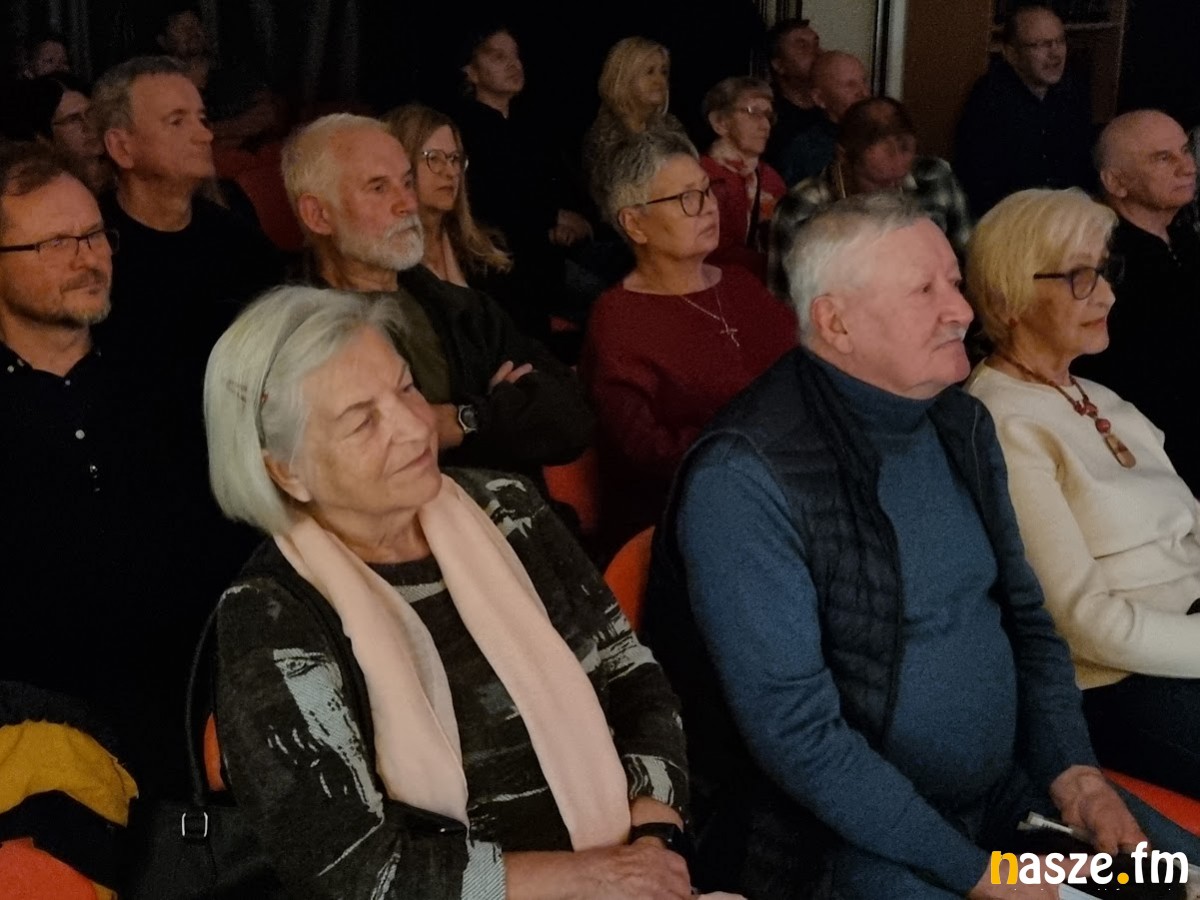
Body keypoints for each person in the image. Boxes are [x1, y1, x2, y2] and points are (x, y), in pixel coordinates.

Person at [643, 194, 1198, 898]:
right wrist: (979, 874)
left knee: (1183, 881)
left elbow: (1028, 621)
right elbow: (798, 735)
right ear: (836, 322)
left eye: (954, 283)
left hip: (1006, 803)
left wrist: (1077, 775)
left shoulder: (959, 423)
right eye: (923, 291)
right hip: (843, 844)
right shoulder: (745, 476)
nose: (961, 311)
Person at [202, 285, 693, 899]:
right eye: (363, 420)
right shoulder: (270, 615)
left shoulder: (508, 508)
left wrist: (652, 840)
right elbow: (351, 870)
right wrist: (591, 878)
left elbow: (633, 678)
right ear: (287, 470)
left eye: (407, 388)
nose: (415, 426)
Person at [0, 143, 250, 801]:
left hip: (203, 702)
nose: (88, 258)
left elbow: (231, 544)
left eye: (94, 235)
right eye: (55, 243)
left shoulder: (171, 372)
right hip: (41, 737)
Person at [964, 187, 1200, 799]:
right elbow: (1083, 623)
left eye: (1104, 270)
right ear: (1008, 297)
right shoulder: (1001, 421)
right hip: (1123, 685)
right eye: (1079, 276)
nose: (1108, 295)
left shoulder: (1100, 397)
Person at [281, 113, 594, 478]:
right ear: (318, 215)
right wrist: (501, 412)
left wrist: (462, 419)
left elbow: (573, 417)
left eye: (407, 182)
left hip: (506, 510)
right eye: (378, 188)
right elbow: (363, 461)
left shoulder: (460, 308)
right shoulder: (292, 337)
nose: (408, 204)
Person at [580, 130, 796, 555]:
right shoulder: (619, 318)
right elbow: (644, 452)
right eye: (686, 198)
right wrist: (760, 447)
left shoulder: (741, 283)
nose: (709, 207)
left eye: (707, 190)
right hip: (689, 519)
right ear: (635, 224)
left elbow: (802, 374)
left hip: (783, 488)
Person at [90, 56, 282, 391]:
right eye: (177, 121)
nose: (205, 135)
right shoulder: (89, 248)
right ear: (122, 147)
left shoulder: (240, 240)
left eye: (202, 119)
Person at [1073, 109, 1200, 495]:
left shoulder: (1184, 238)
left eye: (1185, 150)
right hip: (1154, 459)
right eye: (1163, 158)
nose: (1187, 166)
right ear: (1116, 182)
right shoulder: (1101, 261)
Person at [769, 96, 971, 297]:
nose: (893, 191)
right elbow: (787, 302)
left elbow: (969, 262)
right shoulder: (803, 210)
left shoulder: (933, 177)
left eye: (901, 178)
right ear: (843, 157)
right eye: (879, 182)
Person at [955, 4, 1094, 216]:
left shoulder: (1073, 89)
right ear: (1011, 54)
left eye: (1060, 41)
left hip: (1066, 214)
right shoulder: (989, 99)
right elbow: (982, 183)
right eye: (1041, 45)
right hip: (1012, 217)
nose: (1055, 54)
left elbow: (1082, 165)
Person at [153, 5, 285, 150]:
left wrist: (212, 131)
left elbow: (269, 114)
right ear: (163, 41)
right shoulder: (164, 89)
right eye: (180, 27)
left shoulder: (233, 73)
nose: (192, 31)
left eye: (195, 23)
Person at [583, 36, 688, 213]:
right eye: (649, 72)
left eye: (663, 72)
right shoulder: (604, 137)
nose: (659, 81)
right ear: (623, 77)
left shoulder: (672, 128)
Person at [699, 76, 787, 280]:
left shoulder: (770, 178)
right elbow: (714, 253)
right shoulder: (701, 177)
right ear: (720, 123)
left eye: (768, 116)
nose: (765, 125)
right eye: (753, 112)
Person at [2, 73, 111, 193]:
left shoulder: (120, 176)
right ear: (43, 137)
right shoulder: (45, 192)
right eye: (73, 120)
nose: (88, 125)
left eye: (90, 113)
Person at [774, 50, 869, 185]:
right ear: (819, 98)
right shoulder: (804, 151)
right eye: (850, 85)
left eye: (864, 82)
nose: (864, 93)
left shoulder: (883, 134)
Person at [763, 17, 823, 173]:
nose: (817, 52)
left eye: (816, 44)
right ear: (779, 65)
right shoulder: (766, 114)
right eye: (802, 46)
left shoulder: (831, 106)